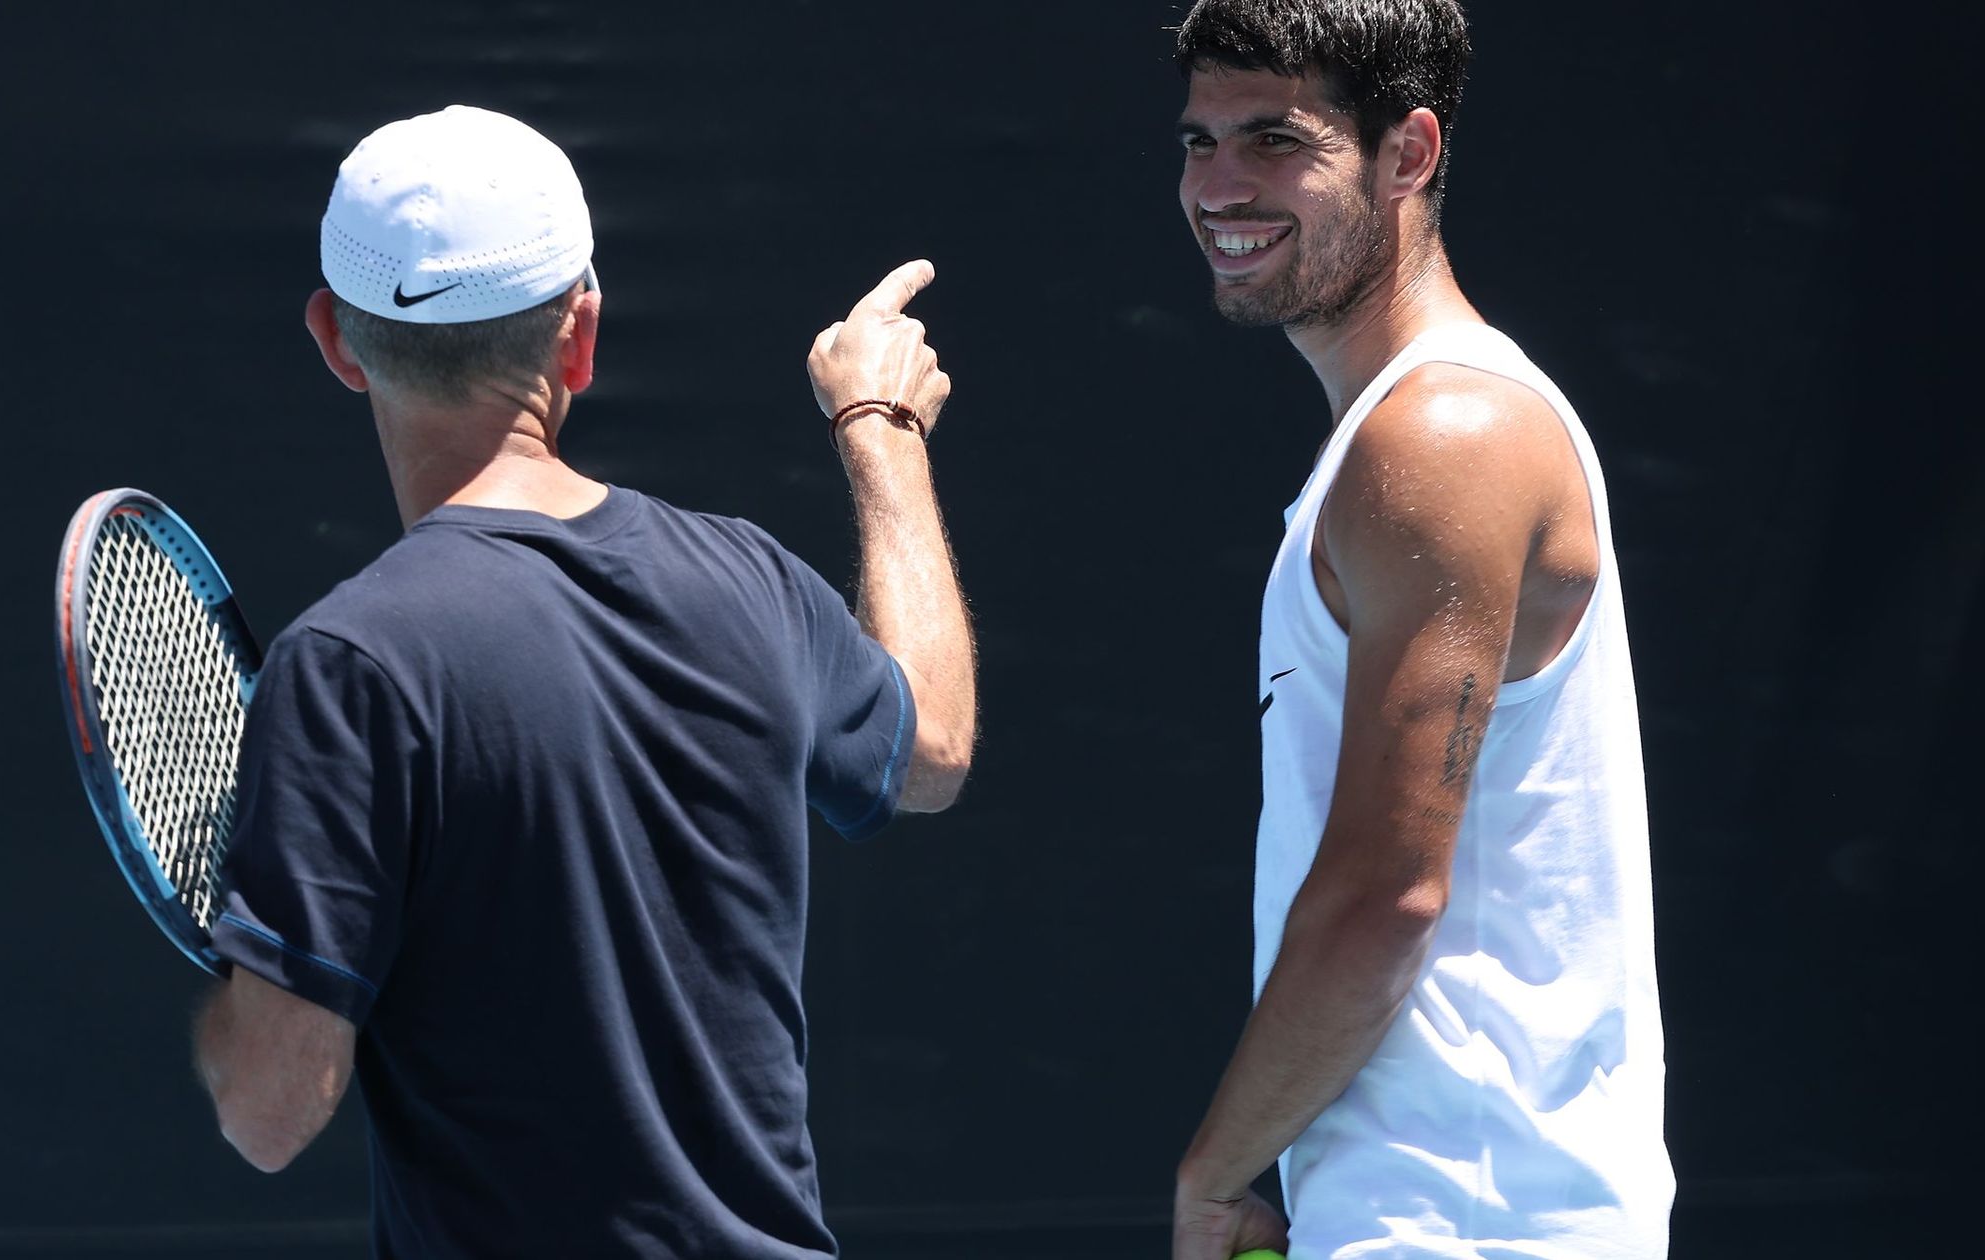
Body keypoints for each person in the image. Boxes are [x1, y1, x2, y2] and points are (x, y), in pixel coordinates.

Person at [187, 104, 975, 1258]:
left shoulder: (350, 667)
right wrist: (882, 425)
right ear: (582, 335)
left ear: (335, 341)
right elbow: (936, 750)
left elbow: (269, 1111)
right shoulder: (752, 583)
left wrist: (227, 1007)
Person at [1162, 3, 1673, 1257]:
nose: (1218, 186)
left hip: (1469, 1225)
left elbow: (1389, 893)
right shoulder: (1405, 438)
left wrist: (1212, 1178)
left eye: (1275, 140)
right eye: (1197, 142)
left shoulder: (1442, 438)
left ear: (1409, 153)